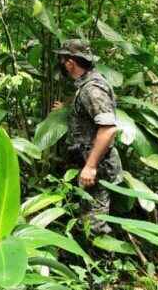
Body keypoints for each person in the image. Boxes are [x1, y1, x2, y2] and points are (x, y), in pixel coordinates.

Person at [54, 39, 122, 234]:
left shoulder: (92, 89)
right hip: (89, 164)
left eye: (62, 59)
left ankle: (103, 261)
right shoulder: (87, 85)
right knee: (87, 219)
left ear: (70, 63)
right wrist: (67, 107)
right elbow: (88, 113)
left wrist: (91, 166)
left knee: (95, 226)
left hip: (97, 168)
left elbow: (108, 128)